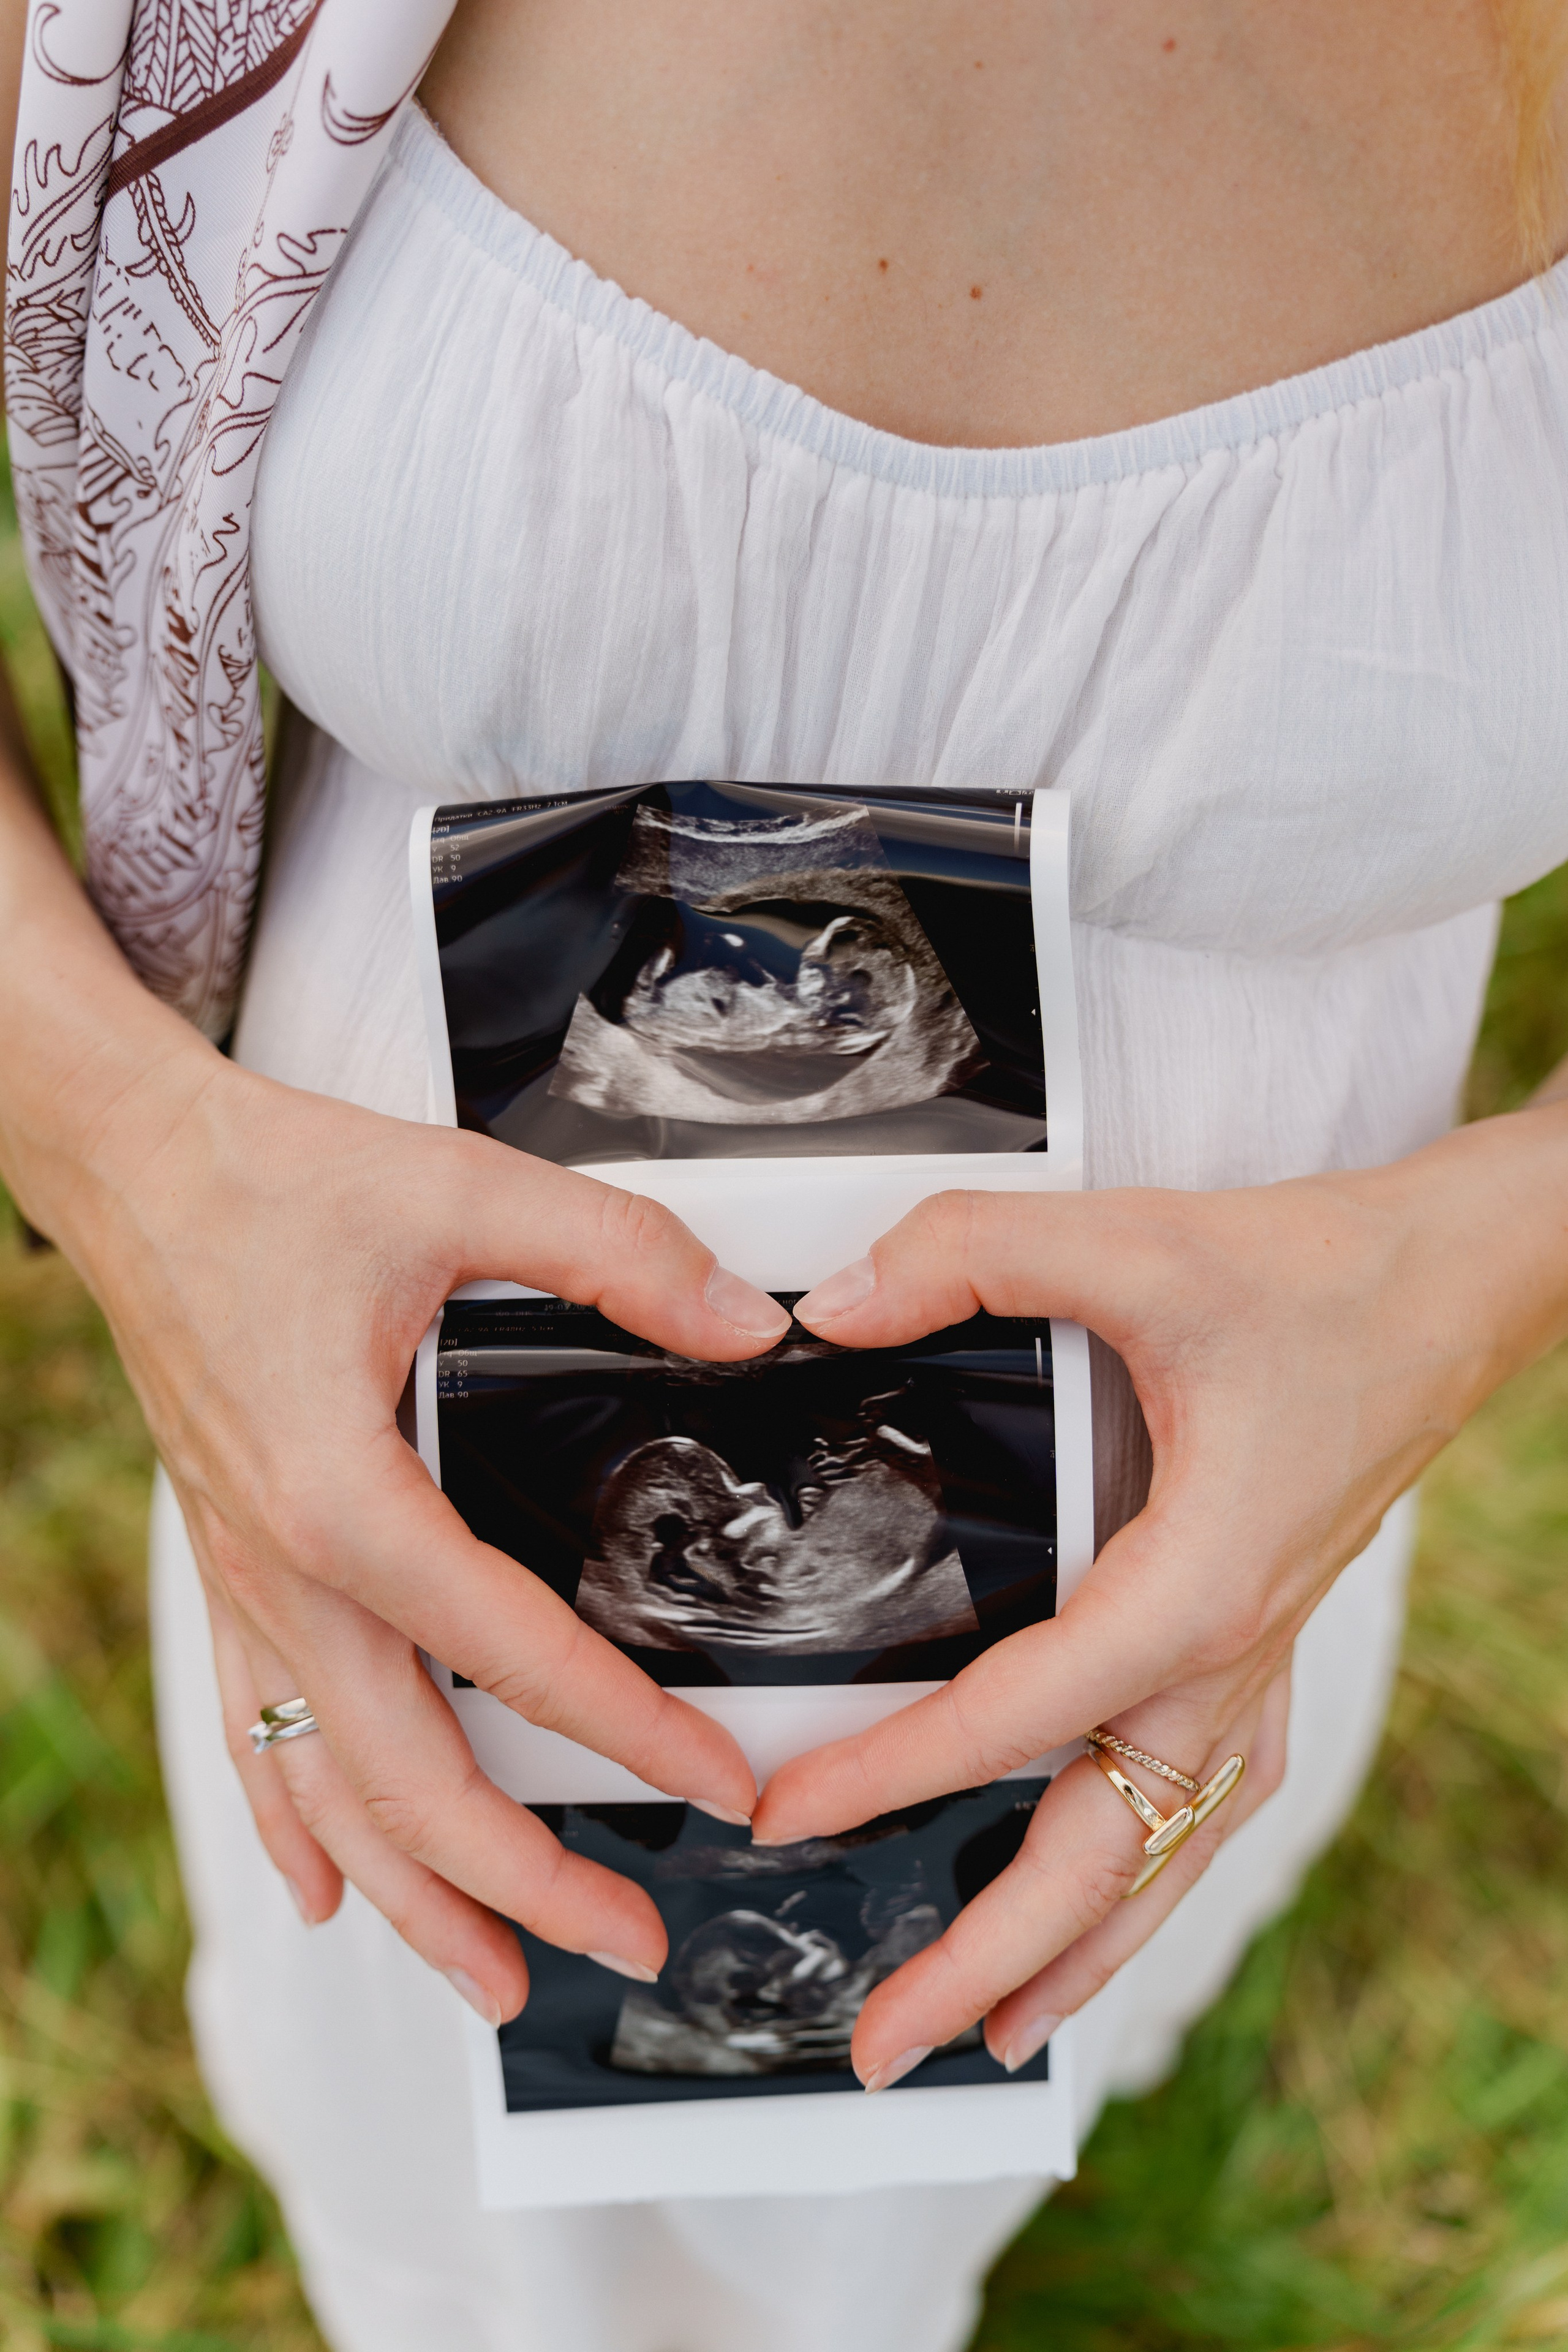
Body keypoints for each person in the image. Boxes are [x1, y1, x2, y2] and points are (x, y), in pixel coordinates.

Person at [3, 3, 1568, 2347]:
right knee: (451, 2255)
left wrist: (1489, 1255)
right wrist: (123, 1150)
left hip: (1177, 1614)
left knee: (887, 2225)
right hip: (376, 1594)